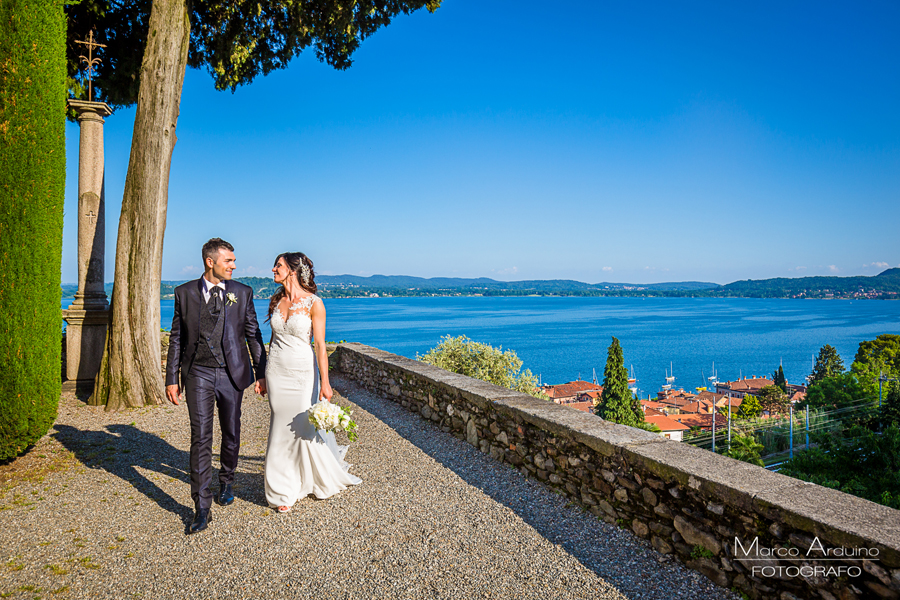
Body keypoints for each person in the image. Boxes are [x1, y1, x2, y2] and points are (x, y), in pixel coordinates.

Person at [165, 238, 267, 534]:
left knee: (231, 431)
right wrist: (172, 377)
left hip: (232, 372)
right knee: (200, 437)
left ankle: (226, 481)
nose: (234, 266)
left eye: (234, 261)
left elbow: (253, 334)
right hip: (197, 373)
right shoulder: (184, 293)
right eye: (229, 261)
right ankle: (201, 507)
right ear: (210, 262)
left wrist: (261, 373)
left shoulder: (242, 293)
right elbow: (176, 338)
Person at [264, 252, 361, 512]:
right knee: (279, 427)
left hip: (302, 373)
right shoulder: (276, 301)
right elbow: (273, 341)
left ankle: (308, 478)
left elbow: (320, 346)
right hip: (276, 371)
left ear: (293, 271)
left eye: (279, 265)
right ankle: (282, 487)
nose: (274, 269)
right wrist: (263, 373)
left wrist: (326, 384)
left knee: (301, 426)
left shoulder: (314, 303)